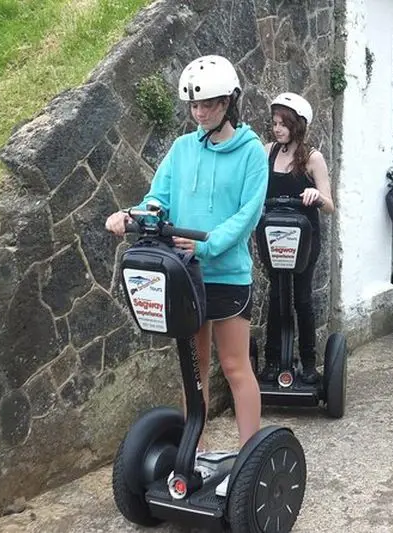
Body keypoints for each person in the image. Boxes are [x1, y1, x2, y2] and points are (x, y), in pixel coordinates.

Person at [105, 55, 267, 495]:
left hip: (227, 274)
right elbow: (158, 199)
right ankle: (192, 454)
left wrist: (208, 242)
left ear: (229, 102)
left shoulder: (252, 152)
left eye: (210, 105)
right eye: (195, 106)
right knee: (192, 369)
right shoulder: (181, 149)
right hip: (184, 273)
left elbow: (247, 215)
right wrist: (131, 214)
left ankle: (250, 464)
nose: (200, 113)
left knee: (234, 367)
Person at [257, 92, 335, 385]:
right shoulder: (267, 152)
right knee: (276, 296)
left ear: (298, 125)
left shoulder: (313, 158)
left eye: (284, 123)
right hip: (272, 235)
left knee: (301, 298)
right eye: (275, 122)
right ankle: (272, 361)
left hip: (304, 239)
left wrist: (316, 196)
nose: (277, 129)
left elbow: (330, 205)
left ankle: (309, 363)